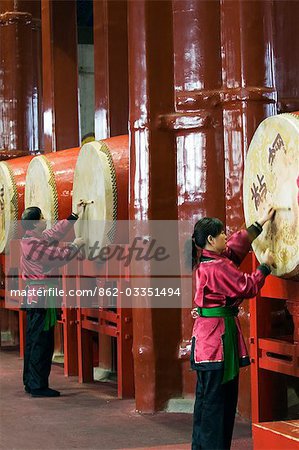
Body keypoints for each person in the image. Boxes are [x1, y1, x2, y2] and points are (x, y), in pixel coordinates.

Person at [190, 208, 276, 450]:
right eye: (221, 234)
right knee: (217, 406)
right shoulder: (217, 268)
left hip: (209, 342)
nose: (226, 237)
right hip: (216, 343)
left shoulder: (212, 260)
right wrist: (265, 267)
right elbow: (247, 287)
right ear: (210, 240)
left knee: (208, 403)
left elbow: (234, 250)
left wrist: (259, 224)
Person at [21, 202, 85, 398]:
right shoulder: (33, 244)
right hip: (41, 297)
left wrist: (74, 216)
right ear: (33, 225)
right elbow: (58, 256)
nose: (45, 220)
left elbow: (53, 234)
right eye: (41, 218)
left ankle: (31, 382)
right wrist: (76, 245)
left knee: (34, 340)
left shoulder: (32, 239)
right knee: (42, 342)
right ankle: (39, 386)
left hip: (35, 297)